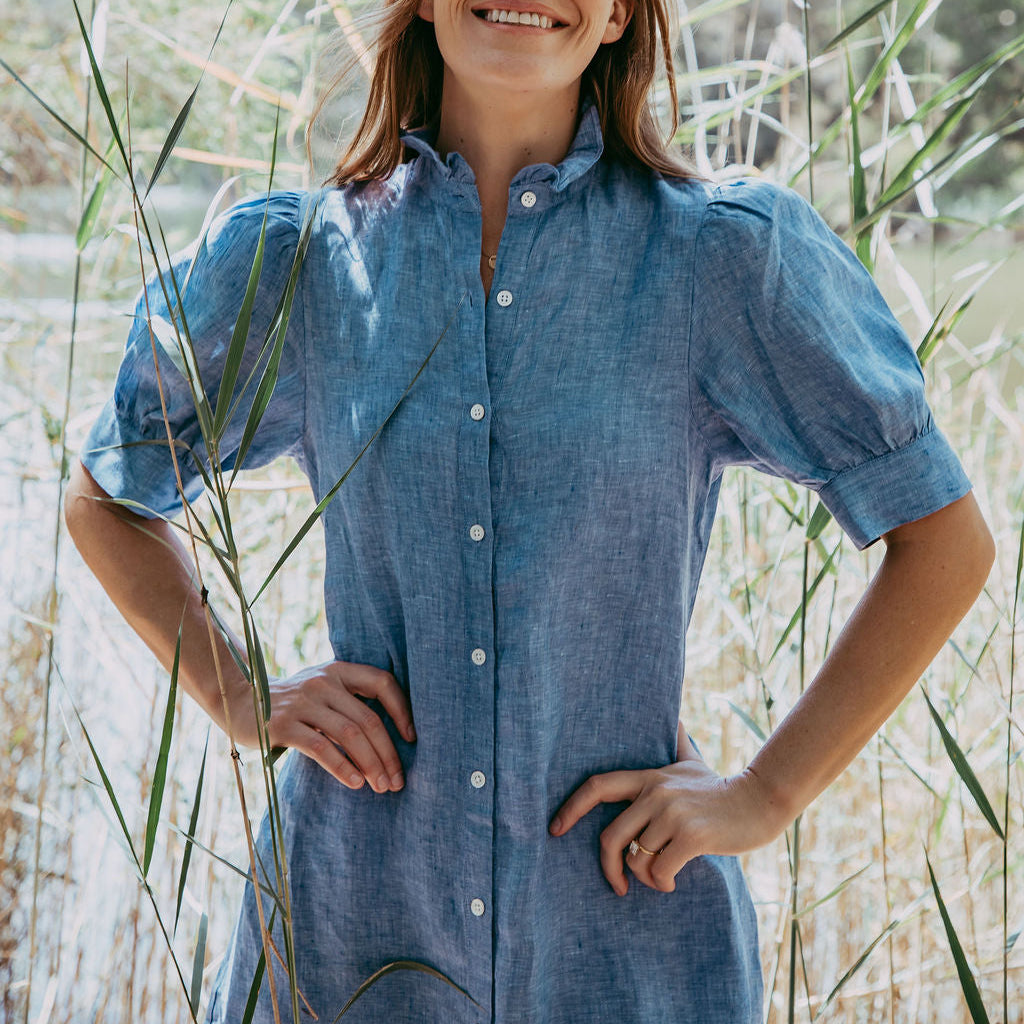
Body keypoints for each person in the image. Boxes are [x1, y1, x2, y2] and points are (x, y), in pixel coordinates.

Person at [64, 0, 995, 1019]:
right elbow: (107, 497)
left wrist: (765, 794)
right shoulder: (300, 261)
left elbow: (942, 539)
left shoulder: (719, 259)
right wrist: (235, 693)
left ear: (617, 18)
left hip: (625, 933)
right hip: (351, 929)